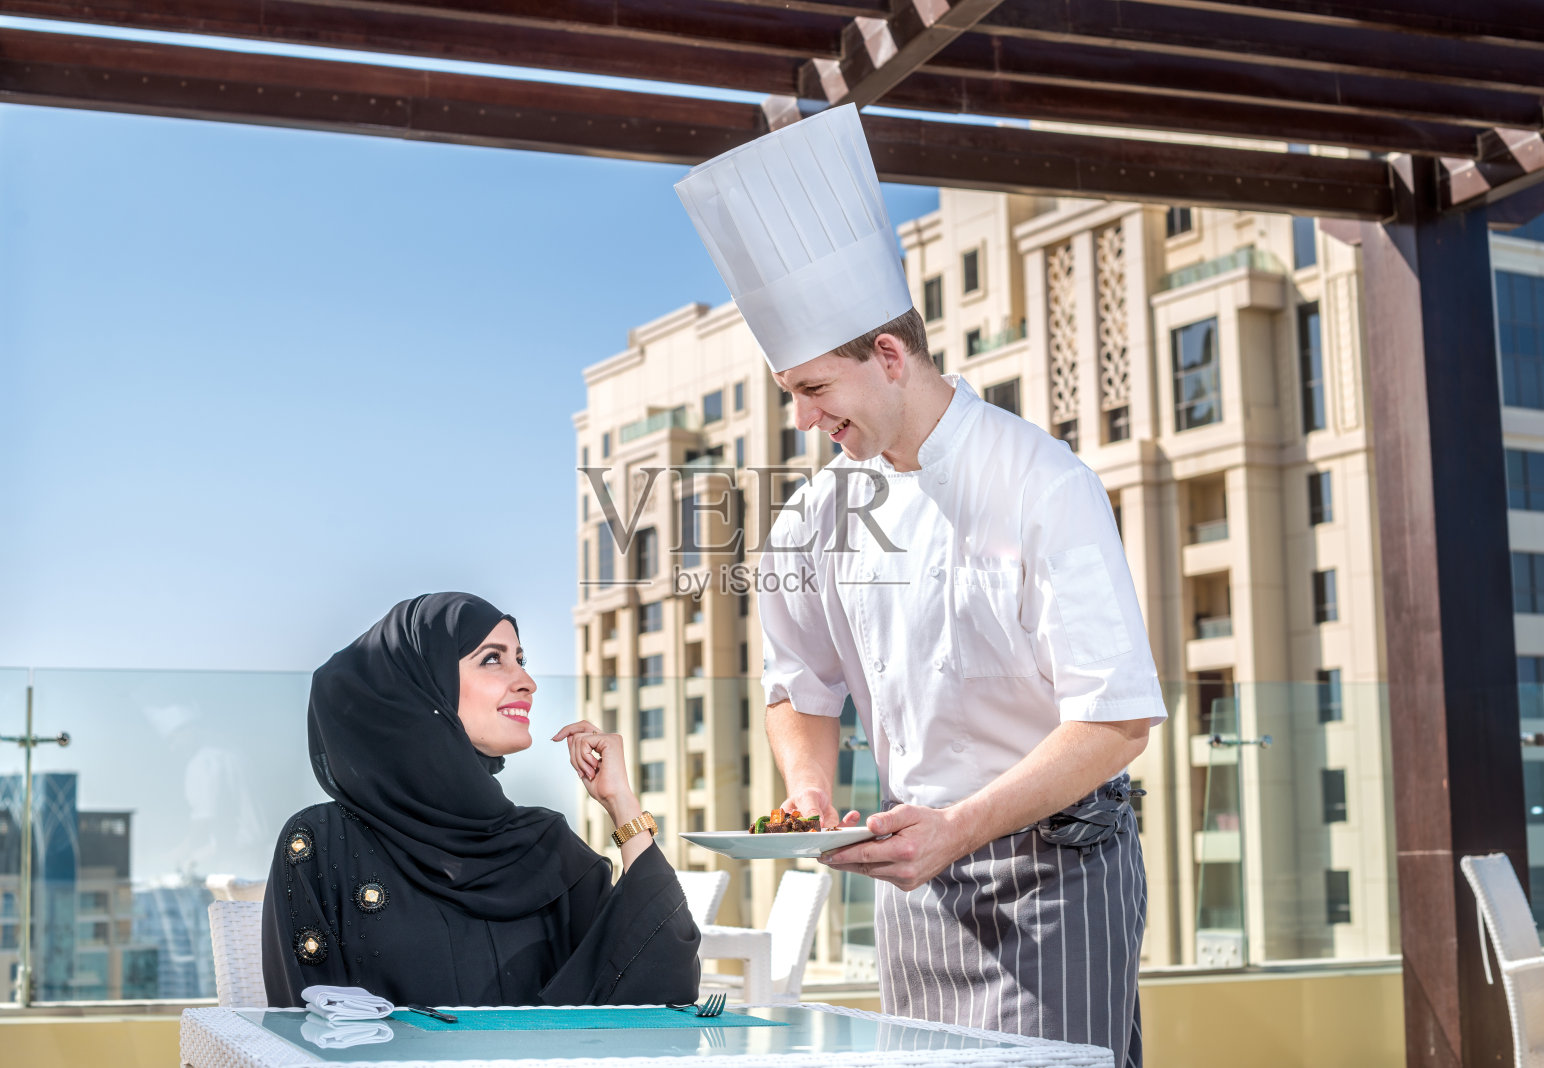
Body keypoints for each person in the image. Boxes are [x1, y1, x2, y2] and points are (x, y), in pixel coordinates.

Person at [676, 106, 1164, 1068]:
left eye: (815, 390)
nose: (808, 420)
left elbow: (1115, 720)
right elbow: (796, 687)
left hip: (1055, 872)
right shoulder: (813, 517)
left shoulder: (1044, 483)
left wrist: (962, 828)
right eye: (793, 398)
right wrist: (810, 794)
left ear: (888, 356)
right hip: (916, 878)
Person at [262, 592, 700, 1008]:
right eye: (492, 659)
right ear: (421, 686)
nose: (527, 682)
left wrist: (621, 802)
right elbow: (306, 1032)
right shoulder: (323, 845)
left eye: (521, 660)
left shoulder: (546, 847)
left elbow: (665, 981)